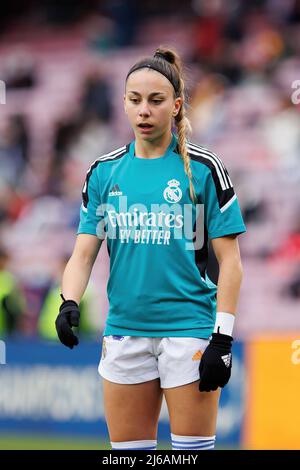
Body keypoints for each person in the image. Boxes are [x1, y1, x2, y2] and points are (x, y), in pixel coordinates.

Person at [55, 46, 246, 451]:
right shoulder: (104, 172)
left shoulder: (206, 169)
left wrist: (223, 339)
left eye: (156, 101)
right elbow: (83, 253)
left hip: (190, 334)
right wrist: (68, 301)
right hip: (125, 333)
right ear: (123, 104)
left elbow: (231, 263)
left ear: (176, 106)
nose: (144, 110)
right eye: (135, 100)